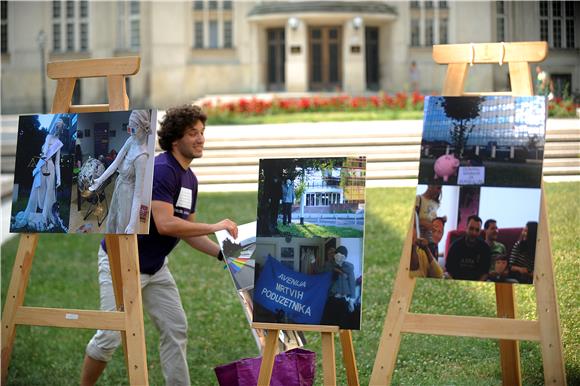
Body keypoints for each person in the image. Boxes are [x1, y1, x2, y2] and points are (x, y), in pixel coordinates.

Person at [80, 105, 238, 386]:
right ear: (176, 138)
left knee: (175, 327)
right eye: (193, 133)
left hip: (155, 268)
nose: (201, 138)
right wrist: (215, 227)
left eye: (202, 132)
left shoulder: (189, 178)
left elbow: (187, 230)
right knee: (109, 337)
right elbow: (166, 224)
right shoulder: (162, 170)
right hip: (121, 262)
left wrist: (223, 255)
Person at [89, 110, 151, 234]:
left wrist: (132, 224)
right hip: (119, 185)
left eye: (132, 129)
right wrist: (99, 180)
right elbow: (115, 163)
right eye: (129, 129)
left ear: (142, 128)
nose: (130, 132)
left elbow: (138, 195)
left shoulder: (141, 157)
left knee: (121, 226)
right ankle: (108, 248)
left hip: (128, 194)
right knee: (111, 219)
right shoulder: (131, 140)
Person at [16, 118, 66, 231]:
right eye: (57, 125)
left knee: (49, 192)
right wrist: (43, 155)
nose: (58, 128)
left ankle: (44, 217)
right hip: (42, 165)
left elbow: (57, 162)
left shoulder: (59, 143)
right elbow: (44, 152)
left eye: (60, 126)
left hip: (51, 168)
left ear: (62, 129)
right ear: (54, 127)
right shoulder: (48, 137)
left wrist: (59, 178)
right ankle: (31, 211)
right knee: (36, 188)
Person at [445, 215, 491, 281]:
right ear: (466, 228)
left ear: (480, 231)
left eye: (477, 230)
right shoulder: (455, 246)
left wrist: (476, 287)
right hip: (456, 284)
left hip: (476, 285)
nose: (474, 233)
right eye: (471, 229)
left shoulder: (485, 248)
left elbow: (485, 273)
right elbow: (449, 271)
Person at [321, 245, 357, 327]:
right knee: (330, 322)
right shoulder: (329, 265)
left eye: (342, 256)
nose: (339, 258)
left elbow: (352, 283)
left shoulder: (349, 267)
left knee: (343, 323)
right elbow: (320, 273)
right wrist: (313, 262)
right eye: (337, 256)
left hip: (343, 299)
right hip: (332, 298)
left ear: (345, 257)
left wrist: (352, 299)